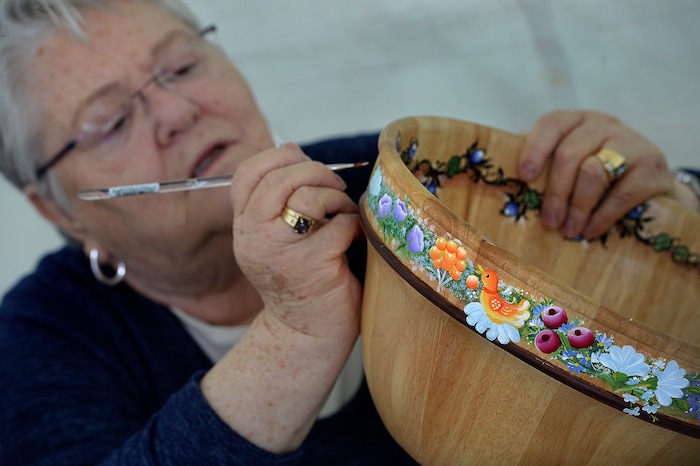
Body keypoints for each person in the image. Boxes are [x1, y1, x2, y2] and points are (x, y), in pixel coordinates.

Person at [0, 0, 698, 464]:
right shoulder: (40, 340)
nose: (177, 111)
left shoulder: (409, 180)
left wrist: (659, 200)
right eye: (111, 122)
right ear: (57, 208)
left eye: (181, 65)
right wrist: (294, 335)